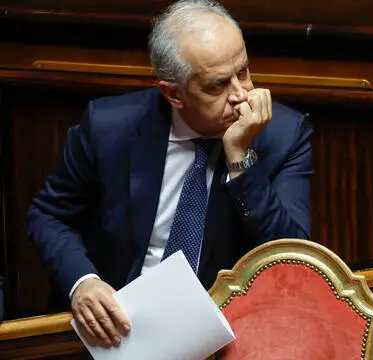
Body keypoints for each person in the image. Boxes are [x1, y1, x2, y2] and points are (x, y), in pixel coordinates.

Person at [26, 0, 312, 348]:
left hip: (222, 336)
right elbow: (49, 215)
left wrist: (241, 159)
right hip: (116, 332)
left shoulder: (283, 135)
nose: (241, 95)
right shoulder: (108, 128)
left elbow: (293, 261)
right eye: (217, 86)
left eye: (244, 71)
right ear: (173, 93)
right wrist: (83, 282)